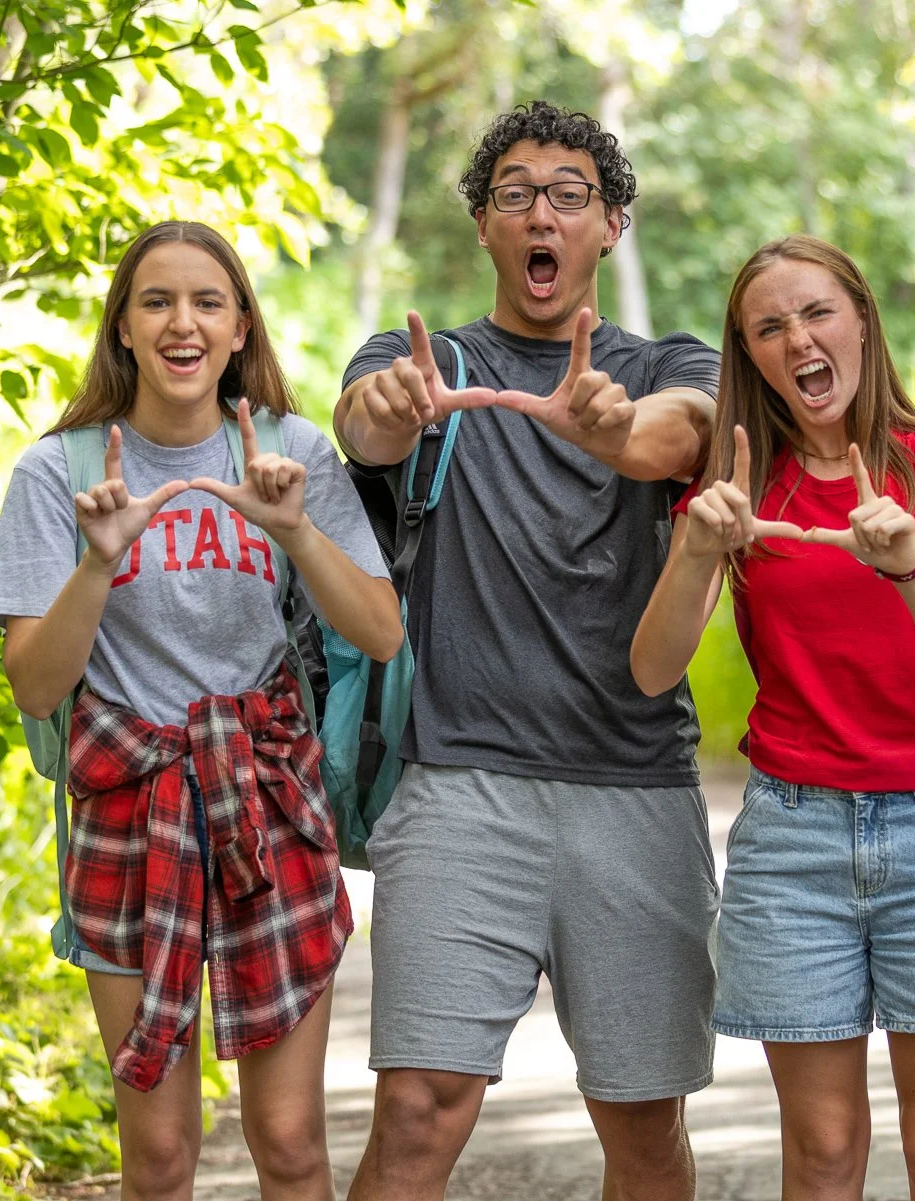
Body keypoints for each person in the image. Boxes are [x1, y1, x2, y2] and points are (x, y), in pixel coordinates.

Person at [333, 101, 720, 1201]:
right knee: (417, 1111)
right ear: (485, 225)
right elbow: (363, 423)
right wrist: (394, 405)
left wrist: (613, 428)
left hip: (635, 788)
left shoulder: (667, 362)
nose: (540, 214)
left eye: (567, 195)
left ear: (611, 224)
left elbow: (686, 432)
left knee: (644, 1125)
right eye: (514, 195)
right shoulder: (426, 360)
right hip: (458, 787)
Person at [0, 221, 402, 1201]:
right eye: (157, 301)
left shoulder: (292, 453)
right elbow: (35, 686)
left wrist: (295, 530)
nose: (183, 323)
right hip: (131, 807)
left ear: (240, 325)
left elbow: (380, 630)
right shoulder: (58, 472)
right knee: (161, 1156)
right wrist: (99, 561)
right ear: (123, 327)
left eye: (208, 301)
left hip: (268, 795)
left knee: (289, 1141)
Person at [632, 234, 915, 1201]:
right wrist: (697, 549)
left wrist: (908, 569)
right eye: (770, 327)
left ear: (861, 321)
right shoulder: (737, 486)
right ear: (750, 353)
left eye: (817, 313)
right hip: (794, 839)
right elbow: (652, 670)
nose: (800, 340)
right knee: (820, 1150)